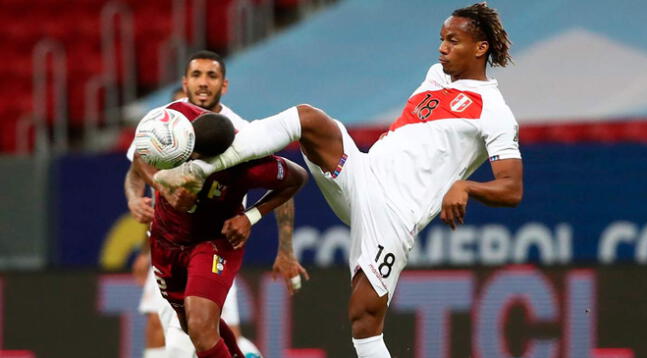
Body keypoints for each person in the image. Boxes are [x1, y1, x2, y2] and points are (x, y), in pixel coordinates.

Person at [155, 3, 523, 357]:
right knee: (308, 118)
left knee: (363, 322)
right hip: (363, 172)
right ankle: (199, 169)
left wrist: (465, 187)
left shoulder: (495, 113)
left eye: (453, 41)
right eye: (441, 39)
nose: (442, 48)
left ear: (481, 48)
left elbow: (511, 188)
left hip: (394, 213)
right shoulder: (437, 75)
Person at [126, 50, 306, 357]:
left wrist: (270, 235)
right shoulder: (170, 120)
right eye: (197, 75)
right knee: (187, 329)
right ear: (185, 82)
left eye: (212, 76)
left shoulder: (245, 136)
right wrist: (151, 190)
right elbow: (140, 161)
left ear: (224, 85)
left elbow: (289, 180)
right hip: (166, 241)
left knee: (198, 331)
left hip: (214, 240)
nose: (203, 83)